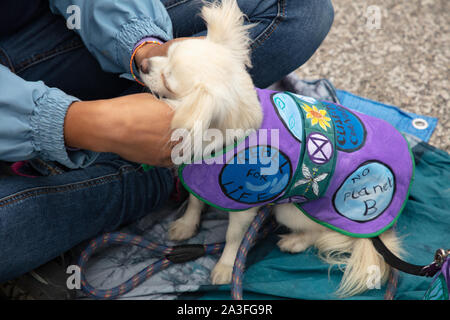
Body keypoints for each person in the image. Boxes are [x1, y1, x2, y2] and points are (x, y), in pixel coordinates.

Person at [0, 0, 334, 283]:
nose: (150, 66)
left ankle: (157, 146)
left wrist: (140, 41)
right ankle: (154, 169)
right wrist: (74, 123)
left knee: (302, 10)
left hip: (30, 39)